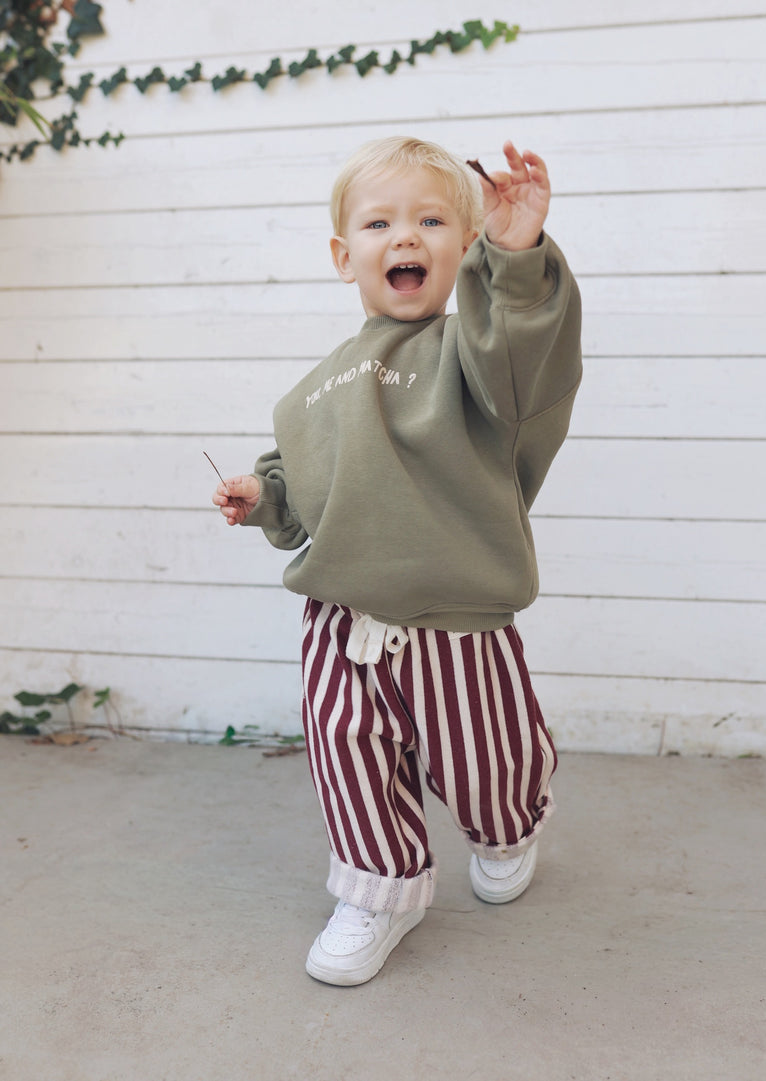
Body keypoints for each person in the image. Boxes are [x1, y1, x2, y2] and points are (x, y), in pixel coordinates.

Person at [212, 136, 582, 986]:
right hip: (340, 620)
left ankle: (509, 826)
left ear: (462, 246)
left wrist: (516, 256)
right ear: (346, 257)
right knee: (347, 751)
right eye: (379, 222)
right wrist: (261, 497)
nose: (404, 236)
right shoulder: (313, 389)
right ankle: (378, 891)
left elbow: (527, 352)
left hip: (457, 621)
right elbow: (299, 483)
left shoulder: (480, 358)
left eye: (430, 220)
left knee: (487, 760)